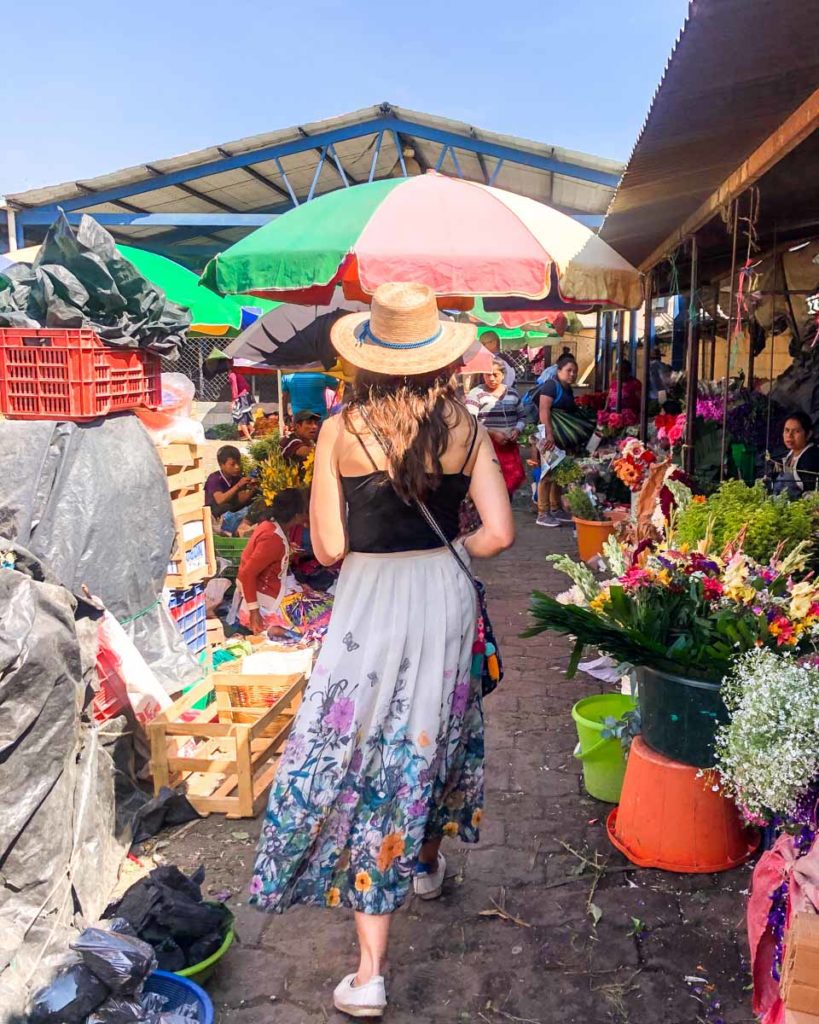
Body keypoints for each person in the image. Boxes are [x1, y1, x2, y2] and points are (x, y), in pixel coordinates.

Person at [249, 282, 514, 1019]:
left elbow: (329, 547)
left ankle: (368, 974)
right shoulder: (466, 426)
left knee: (370, 754)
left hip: (370, 602)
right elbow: (497, 536)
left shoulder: (339, 430)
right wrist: (448, 547)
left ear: (367, 361)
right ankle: (424, 864)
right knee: (430, 733)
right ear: (438, 360)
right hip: (442, 600)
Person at [234, 490, 333, 638]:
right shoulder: (272, 539)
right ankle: (276, 628)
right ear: (297, 515)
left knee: (328, 601)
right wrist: (254, 612)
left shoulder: (271, 526)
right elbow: (247, 574)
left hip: (272, 592)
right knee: (329, 613)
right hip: (269, 601)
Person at [466, 357, 526, 495]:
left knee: (508, 486)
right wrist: (492, 433)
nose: (491, 378)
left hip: (509, 447)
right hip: (487, 447)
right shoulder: (476, 394)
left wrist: (517, 429)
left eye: (495, 374)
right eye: (488, 374)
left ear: (503, 375)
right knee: (490, 485)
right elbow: (471, 421)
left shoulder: (512, 393)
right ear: (483, 375)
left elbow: (522, 417)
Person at [536, 353, 579, 528]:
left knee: (558, 473)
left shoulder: (567, 388)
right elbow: (544, 411)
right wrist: (549, 435)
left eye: (575, 371)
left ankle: (556, 509)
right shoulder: (550, 386)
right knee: (547, 474)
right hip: (549, 437)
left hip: (561, 437)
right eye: (569, 370)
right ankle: (542, 512)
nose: (572, 374)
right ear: (559, 370)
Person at [205, 446, 257, 533]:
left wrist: (253, 489)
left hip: (232, 515)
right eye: (232, 464)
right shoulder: (214, 478)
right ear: (221, 465)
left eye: (238, 463)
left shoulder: (236, 478)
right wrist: (238, 485)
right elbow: (220, 499)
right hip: (218, 520)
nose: (237, 467)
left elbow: (240, 500)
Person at [772, 412, 819, 498]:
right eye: (786, 430)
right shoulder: (790, 454)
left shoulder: (811, 459)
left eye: (796, 431)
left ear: (808, 434)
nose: (789, 435)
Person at [229, 362, 255, 441]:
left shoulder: (232, 375)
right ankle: (251, 429)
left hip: (241, 397)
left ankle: (248, 437)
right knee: (244, 415)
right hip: (245, 396)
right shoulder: (238, 373)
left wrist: (234, 400)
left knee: (240, 417)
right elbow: (247, 386)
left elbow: (234, 387)